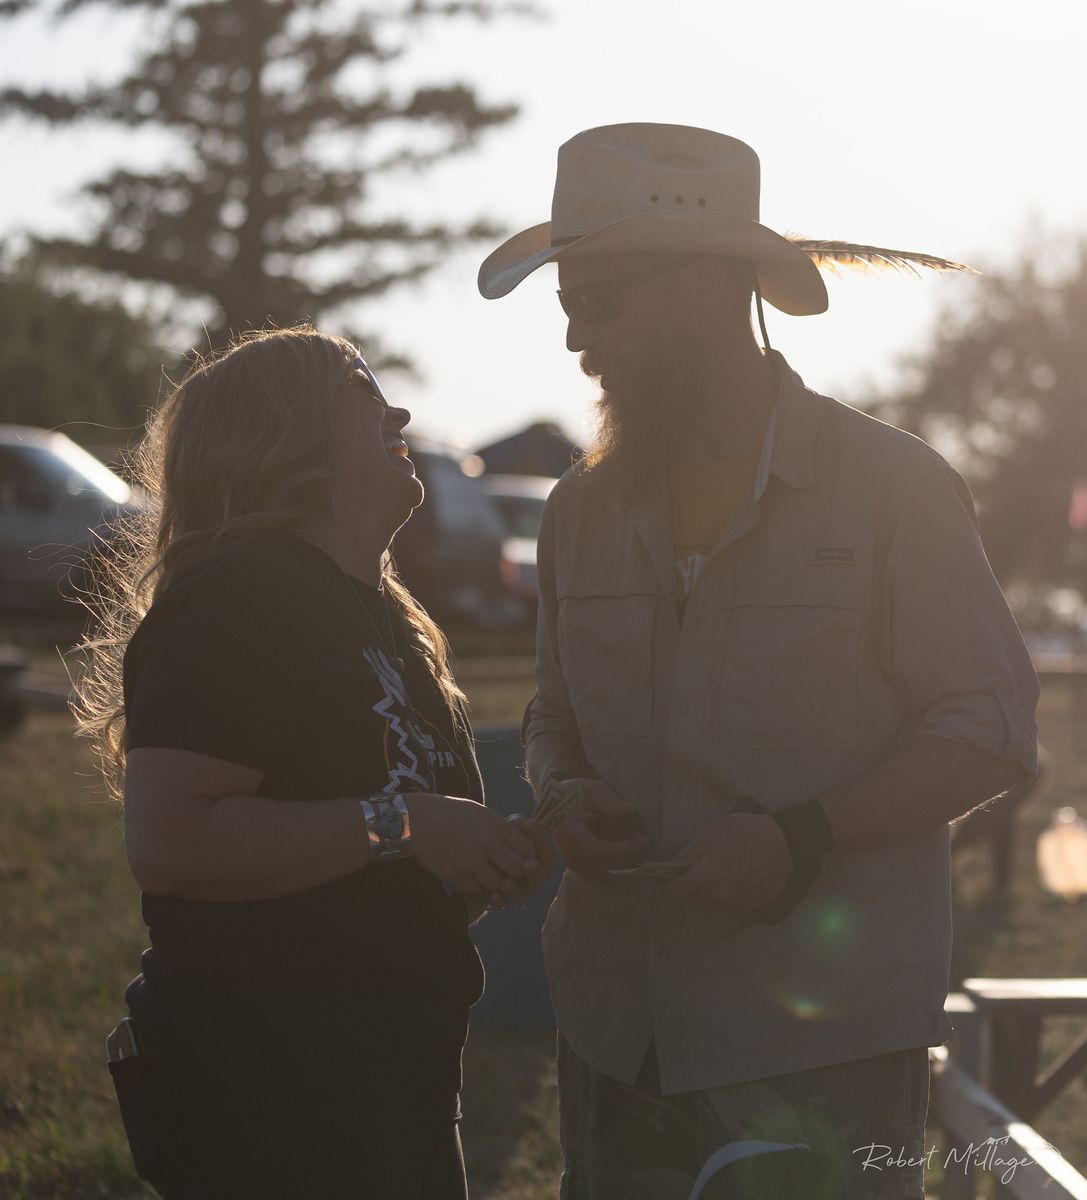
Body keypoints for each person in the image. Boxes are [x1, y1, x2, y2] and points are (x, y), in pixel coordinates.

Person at [477, 123, 1040, 1199]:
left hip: (820, 1049)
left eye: (598, 300)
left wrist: (801, 837)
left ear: (700, 288)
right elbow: (553, 714)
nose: (576, 339)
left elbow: (989, 731)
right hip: (614, 1030)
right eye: (565, 303)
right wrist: (563, 795)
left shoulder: (894, 489)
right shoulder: (578, 509)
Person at [74, 327, 554, 1200]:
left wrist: (497, 853)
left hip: (397, 1076)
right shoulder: (237, 598)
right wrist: (405, 824)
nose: (398, 413)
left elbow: (393, 854)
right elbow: (171, 843)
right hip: (267, 1084)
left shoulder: (390, 621)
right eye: (363, 390)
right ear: (284, 434)